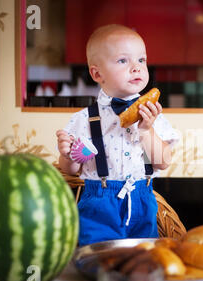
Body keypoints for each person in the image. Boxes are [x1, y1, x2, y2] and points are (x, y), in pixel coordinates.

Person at [56, 24, 180, 246]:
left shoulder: (154, 115)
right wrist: (67, 154)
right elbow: (71, 170)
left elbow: (162, 162)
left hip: (142, 201)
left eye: (141, 60)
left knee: (143, 261)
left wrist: (145, 130)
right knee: (95, 259)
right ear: (97, 73)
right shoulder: (84, 119)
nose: (136, 68)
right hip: (98, 205)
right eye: (123, 61)